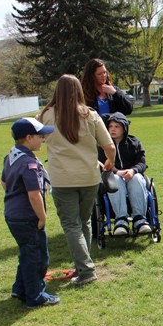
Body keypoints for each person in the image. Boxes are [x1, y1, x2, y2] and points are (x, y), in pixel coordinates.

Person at [40, 74, 116, 285]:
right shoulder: (90, 115)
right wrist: (109, 162)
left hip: (62, 179)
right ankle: (83, 265)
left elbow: (36, 138)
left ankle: (86, 270)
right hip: (89, 177)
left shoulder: (46, 115)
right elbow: (109, 146)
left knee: (72, 225)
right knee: (84, 222)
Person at [1, 118, 60, 308]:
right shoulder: (28, 163)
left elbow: (4, 182)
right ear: (28, 138)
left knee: (26, 252)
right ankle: (35, 296)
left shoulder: (11, 156)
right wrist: (42, 217)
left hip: (13, 215)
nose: (43, 139)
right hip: (27, 217)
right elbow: (34, 194)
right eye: (40, 136)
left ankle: (20, 288)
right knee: (37, 257)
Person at [97, 112, 151, 236]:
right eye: (110, 126)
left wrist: (133, 170)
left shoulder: (134, 143)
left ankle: (140, 219)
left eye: (117, 126)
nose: (113, 129)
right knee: (115, 179)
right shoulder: (103, 146)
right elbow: (102, 164)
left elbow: (142, 163)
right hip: (113, 176)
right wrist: (117, 171)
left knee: (137, 178)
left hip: (132, 175)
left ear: (124, 128)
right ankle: (121, 220)